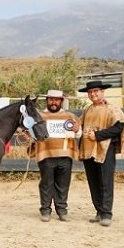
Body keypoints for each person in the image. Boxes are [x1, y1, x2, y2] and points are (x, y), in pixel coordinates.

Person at [77, 80, 124, 227]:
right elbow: (79, 125)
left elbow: (119, 128)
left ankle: (107, 213)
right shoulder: (87, 110)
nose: (93, 94)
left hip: (106, 148)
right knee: (93, 181)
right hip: (88, 149)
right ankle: (99, 211)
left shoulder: (112, 109)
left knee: (105, 181)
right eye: (90, 92)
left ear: (102, 92)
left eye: (96, 91)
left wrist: (98, 135)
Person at [30, 90, 80, 222]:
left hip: (65, 154)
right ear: (47, 101)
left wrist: (77, 130)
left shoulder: (70, 116)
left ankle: (62, 210)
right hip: (46, 155)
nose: (53, 102)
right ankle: (45, 210)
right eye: (51, 99)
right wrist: (29, 137)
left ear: (61, 101)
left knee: (63, 184)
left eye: (56, 100)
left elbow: (79, 133)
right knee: (46, 183)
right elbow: (32, 134)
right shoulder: (39, 116)